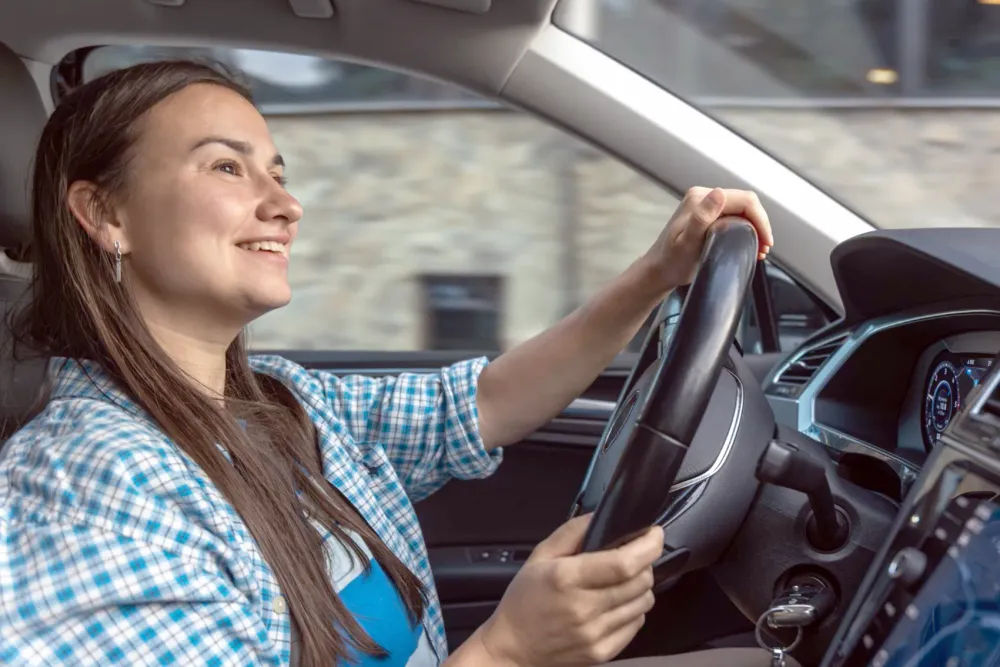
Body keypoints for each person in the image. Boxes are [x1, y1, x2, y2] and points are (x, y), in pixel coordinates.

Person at [0, 60, 780, 667]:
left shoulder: (282, 404)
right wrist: (510, 647)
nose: (285, 204)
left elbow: (484, 401)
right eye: (227, 168)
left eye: (278, 171)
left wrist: (655, 273)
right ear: (105, 215)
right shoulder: (82, 488)